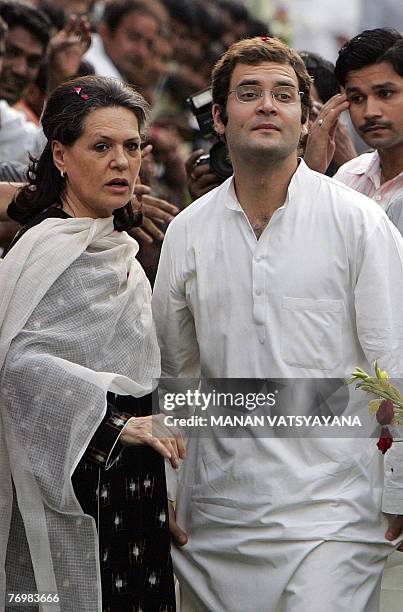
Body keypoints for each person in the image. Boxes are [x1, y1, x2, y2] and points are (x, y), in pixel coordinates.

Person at [152, 37, 403, 611]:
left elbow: (392, 360)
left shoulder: (357, 223)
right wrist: (169, 490)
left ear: (306, 117)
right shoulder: (189, 232)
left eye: (283, 95)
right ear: (218, 117)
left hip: (334, 511)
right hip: (216, 520)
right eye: (249, 93)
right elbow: (176, 373)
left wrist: (399, 482)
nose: (267, 105)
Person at [0, 75, 184, 611]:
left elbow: (147, 369)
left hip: (136, 483)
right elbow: (17, 365)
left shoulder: (119, 247)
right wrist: (116, 424)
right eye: (101, 147)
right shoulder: (45, 247)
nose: (121, 162)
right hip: (71, 480)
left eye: (131, 147)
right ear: (60, 154)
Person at [304, 28, 403, 234]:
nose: (370, 112)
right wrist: (311, 173)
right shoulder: (348, 176)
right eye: (357, 98)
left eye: (385, 93)